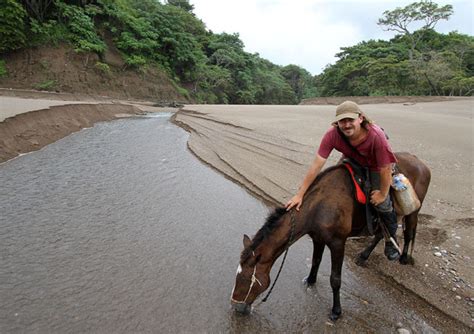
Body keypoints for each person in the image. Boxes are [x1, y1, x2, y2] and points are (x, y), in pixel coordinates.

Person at [285, 100, 399, 261]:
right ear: (337, 122)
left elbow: (385, 169)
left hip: (374, 166)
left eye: (350, 120)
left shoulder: (376, 136)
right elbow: (317, 164)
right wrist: (300, 194)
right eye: (342, 121)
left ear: (360, 118)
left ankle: (391, 239)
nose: (346, 125)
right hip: (351, 159)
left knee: (384, 204)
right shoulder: (333, 135)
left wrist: (382, 194)